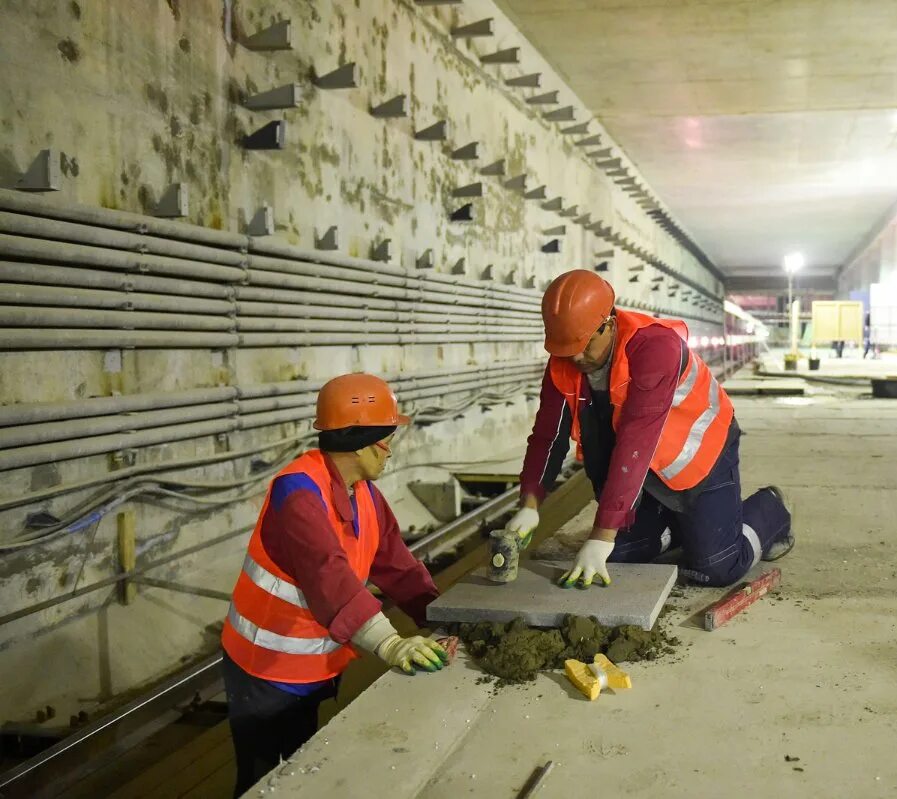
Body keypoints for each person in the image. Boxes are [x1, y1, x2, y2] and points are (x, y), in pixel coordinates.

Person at [220, 373, 449, 796]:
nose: (390, 451)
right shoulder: (298, 493)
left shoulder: (361, 492)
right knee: (261, 781)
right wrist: (391, 643)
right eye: (386, 440)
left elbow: (395, 563)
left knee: (300, 774)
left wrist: (443, 618)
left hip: (311, 666)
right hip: (265, 671)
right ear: (360, 443)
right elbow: (329, 574)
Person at [506, 270, 793, 589]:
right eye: (565, 347)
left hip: (699, 459)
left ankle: (770, 508)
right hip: (641, 470)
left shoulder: (655, 348)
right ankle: (681, 527)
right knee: (616, 557)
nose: (575, 356)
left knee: (715, 569)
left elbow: (636, 443)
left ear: (609, 324)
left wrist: (602, 534)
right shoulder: (566, 360)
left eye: (583, 344)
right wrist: (530, 502)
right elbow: (548, 436)